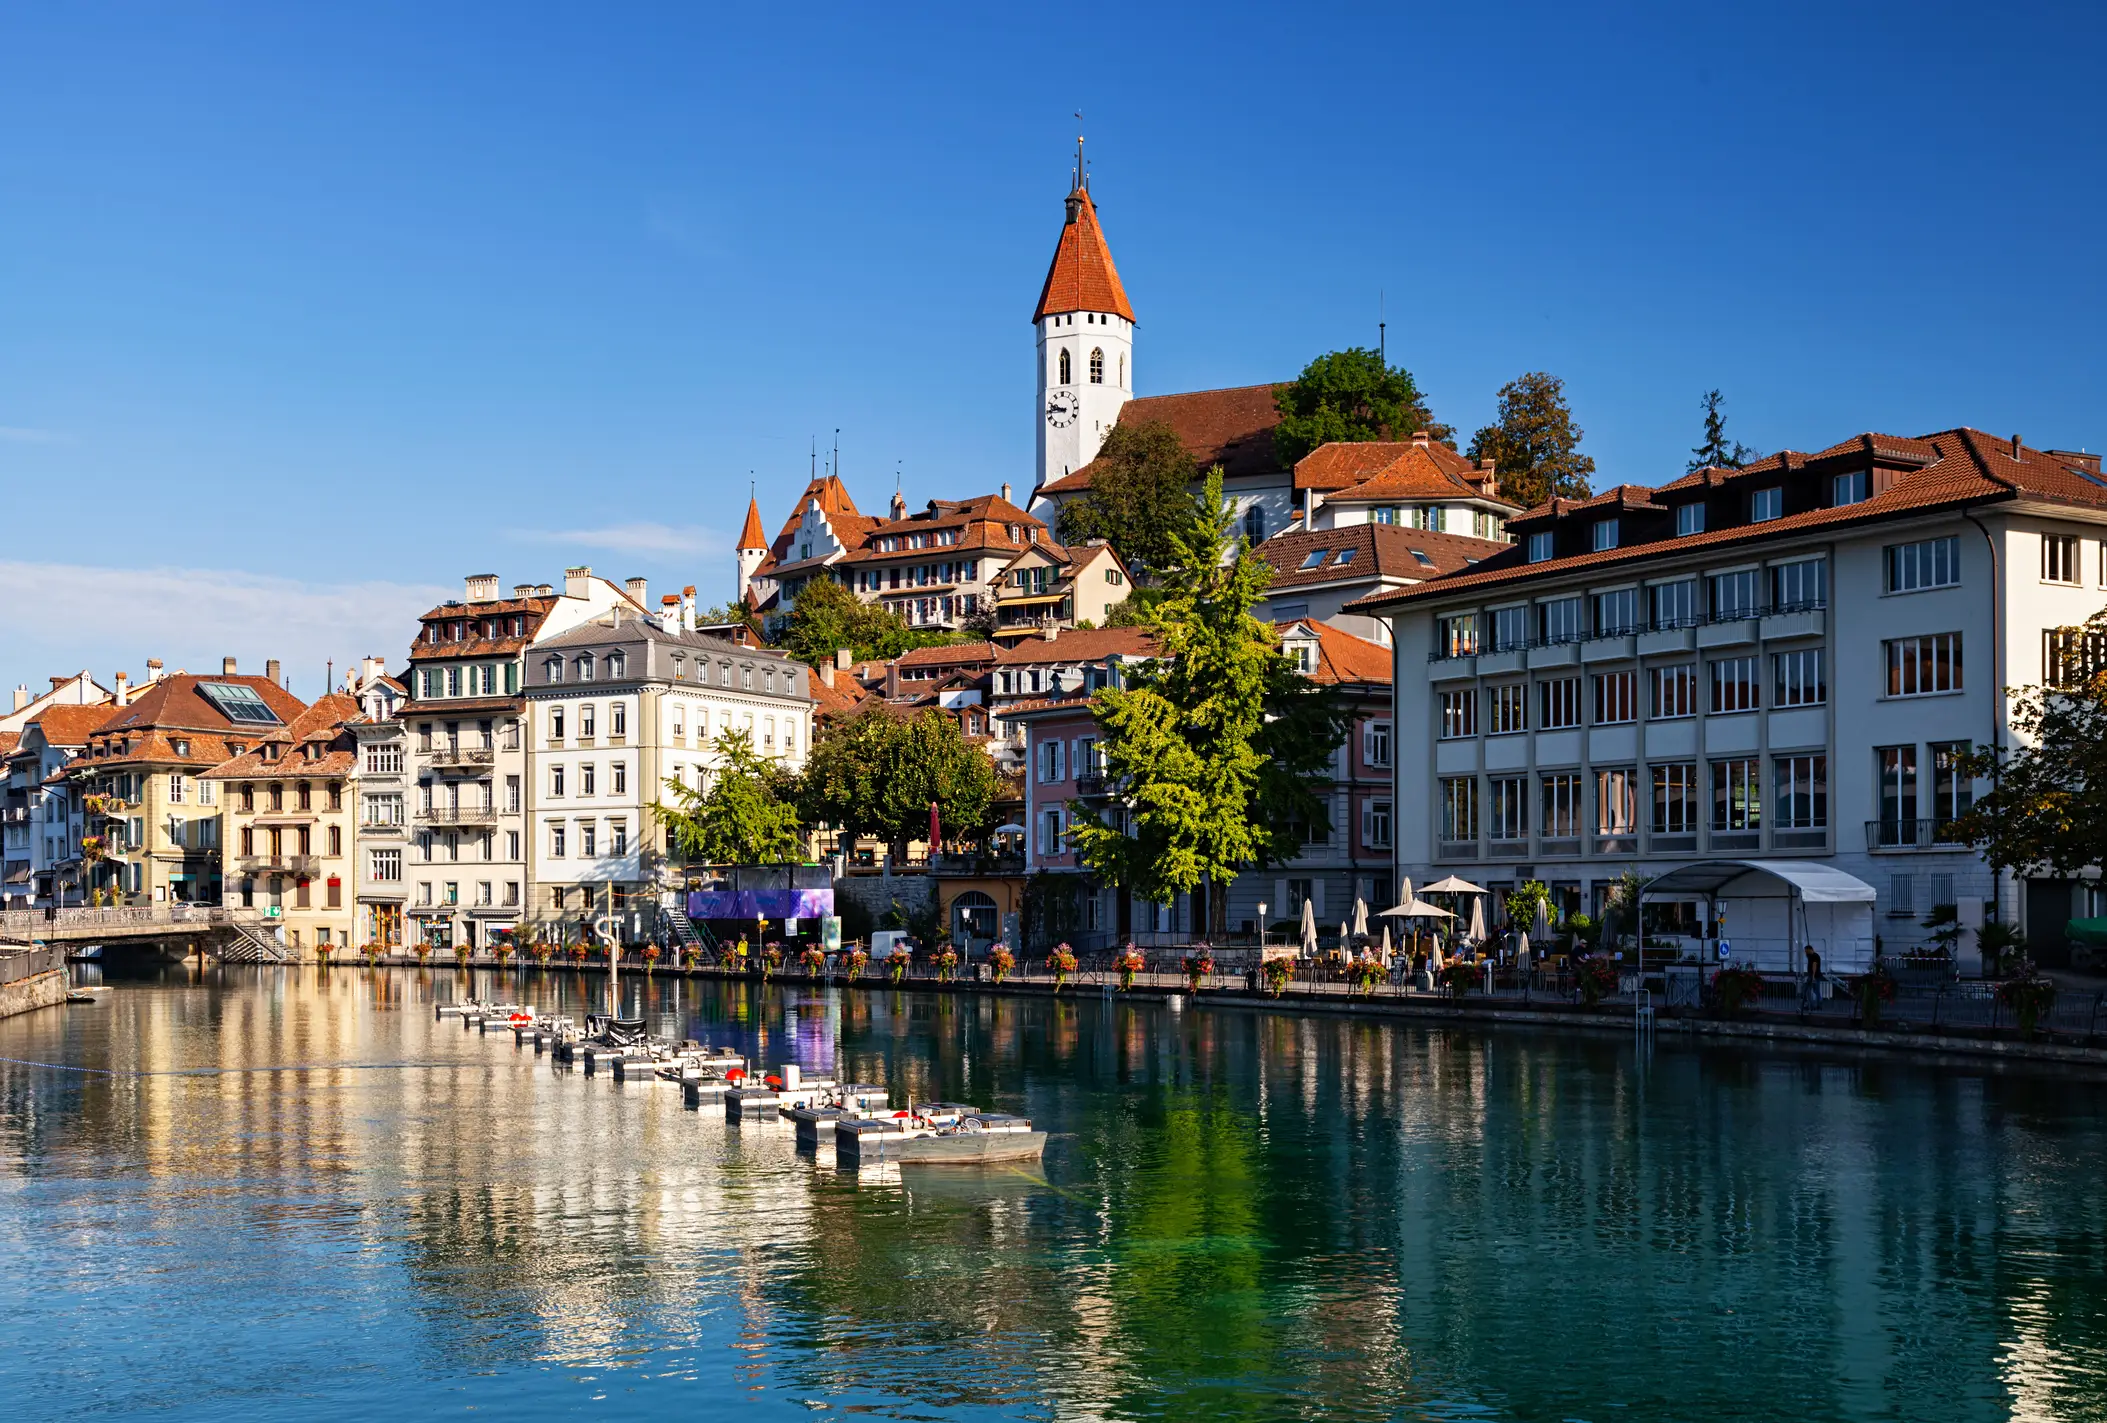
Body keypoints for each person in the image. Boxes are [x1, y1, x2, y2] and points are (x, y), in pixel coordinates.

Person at [1802, 943, 1823, 1008]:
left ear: (1809, 950)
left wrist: (1813, 976)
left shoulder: (1814, 956)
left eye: (1806, 951)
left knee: (1808, 989)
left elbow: (1814, 965)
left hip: (1814, 976)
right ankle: (1816, 1004)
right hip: (1813, 976)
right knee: (1814, 990)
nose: (1805, 953)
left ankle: (1815, 1004)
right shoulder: (1811, 956)